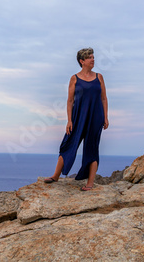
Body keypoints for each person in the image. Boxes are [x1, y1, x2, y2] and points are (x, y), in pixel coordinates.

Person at [44, 48, 109, 191]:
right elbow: (69, 101)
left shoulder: (99, 77)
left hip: (95, 117)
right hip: (78, 117)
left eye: (93, 57)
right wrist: (69, 120)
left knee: (92, 148)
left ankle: (90, 183)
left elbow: (104, 98)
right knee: (67, 144)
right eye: (89, 57)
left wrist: (105, 117)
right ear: (82, 61)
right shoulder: (74, 78)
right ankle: (55, 175)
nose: (93, 59)